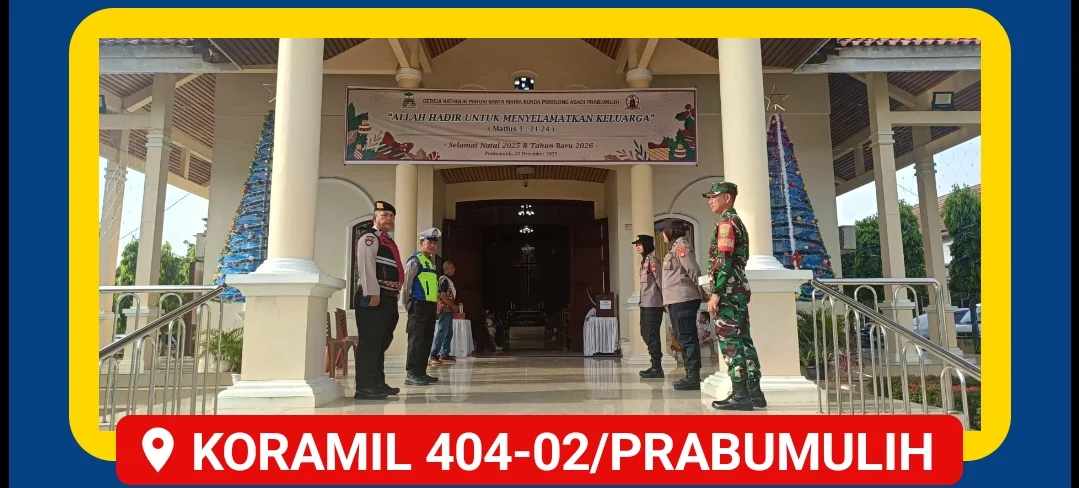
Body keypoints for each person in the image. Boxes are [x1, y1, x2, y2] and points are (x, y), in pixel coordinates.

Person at [702, 181, 767, 411]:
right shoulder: (736, 222)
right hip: (738, 290)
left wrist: (716, 293)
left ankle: (740, 395)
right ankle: (754, 393)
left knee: (730, 341)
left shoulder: (727, 224)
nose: (710, 201)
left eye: (714, 196)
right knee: (744, 340)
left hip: (728, 292)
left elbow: (723, 261)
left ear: (727, 198)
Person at [353, 201, 403, 400]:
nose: (389, 219)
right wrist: (372, 293)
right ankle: (365, 387)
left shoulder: (387, 241)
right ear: (375, 218)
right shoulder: (369, 237)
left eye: (391, 216)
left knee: (381, 342)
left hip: (388, 296)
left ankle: (378, 383)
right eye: (384, 215)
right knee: (370, 342)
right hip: (375, 296)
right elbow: (366, 266)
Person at [659, 220, 705, 391]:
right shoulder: (674, 248)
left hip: (683, 299)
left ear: (670, 231)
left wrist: (702, 291)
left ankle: (693, 376)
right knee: (682, 337)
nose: (662, 234)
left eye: (664, 231)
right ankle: (690, 374)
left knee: (687, 337)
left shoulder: (681, 247)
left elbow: (693, 270)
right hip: (676, 300)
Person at [401, 228, 442, 386]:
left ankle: (421, 372)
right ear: (421, 243)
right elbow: (407, 283)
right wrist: (406, 303)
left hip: (430, 306)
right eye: (429, 242)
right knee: (416, 340)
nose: (432, 245)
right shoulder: (415, 260)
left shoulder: (430, 262)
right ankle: (412, 373)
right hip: (418, 304)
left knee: (426, 339)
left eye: (434, 243)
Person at [631, 234, 665, 379]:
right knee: (644, 333)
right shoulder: (644, 262)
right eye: (636, 245)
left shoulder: (653, 261)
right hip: (645, 304)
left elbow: (661, 282)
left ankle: (657, 367)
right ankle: (654, 364)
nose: (637, 247)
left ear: (646, 245)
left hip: (654, 304)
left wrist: (666, 301)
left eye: (640, 244)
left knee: (652, 335)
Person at [429, 260, 459, 366]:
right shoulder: (443, 280)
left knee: (449, 332)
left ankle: (444, 353)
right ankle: (434, 354)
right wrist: (453, 306)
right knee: (442, 331)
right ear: (447, 268)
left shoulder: (449, 280)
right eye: (452, 267)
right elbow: (443, 295)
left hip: (449, 310)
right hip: (444, 309)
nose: (454, 269)